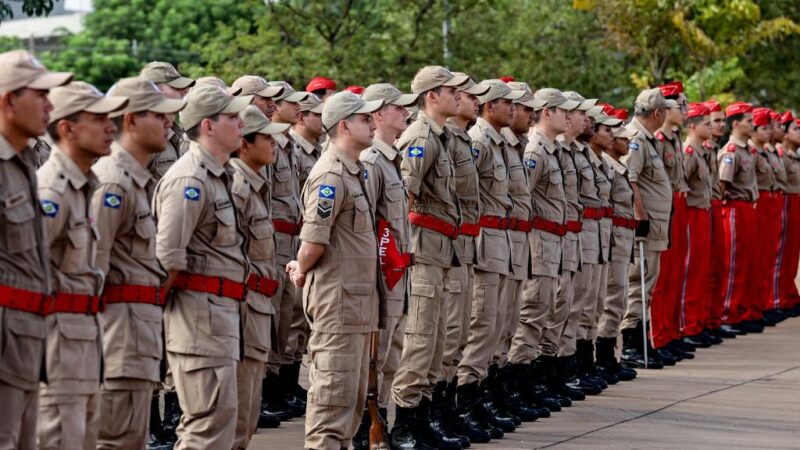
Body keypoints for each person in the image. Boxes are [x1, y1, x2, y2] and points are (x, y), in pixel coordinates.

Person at [152, 84, 252, 449]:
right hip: (198, 323)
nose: (242, 123)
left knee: (219, 423)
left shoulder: (217, 174)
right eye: (232, 117)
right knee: (204, 430)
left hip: (217, 319)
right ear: (207, 126)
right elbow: (166, 262)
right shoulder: (189, 179)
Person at [285, 90, 383, 450]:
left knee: (350, 404)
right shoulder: (330, 175)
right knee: (331, 406)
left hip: (356, 304)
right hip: (338, 305)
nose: (372, 124)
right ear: (344, 125)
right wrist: (301, 265)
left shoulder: (354, 172)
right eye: (364, 119)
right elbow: (313, 241)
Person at [93, 77, 185, 449]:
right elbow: (90, 274)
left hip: (136, 335)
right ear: (130, 120)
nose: (169, 122)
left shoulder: (136, 180)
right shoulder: (111, 182)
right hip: (114, 340)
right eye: (159, 115)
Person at [38, 81, 128, 449]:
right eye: (99, 119)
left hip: (85, 346)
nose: (111, 127)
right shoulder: (52, 192)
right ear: (67, 128)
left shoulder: (82, 186)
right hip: (58, 353)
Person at [390, 66, 467, 450]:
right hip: (423, 249)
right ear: (432, 96)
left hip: (441, 249)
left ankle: (421, 417)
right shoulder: (420, 136)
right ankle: (404, 423)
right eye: (451, 90)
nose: (458, 96)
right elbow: (404, 196)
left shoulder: (441, 135)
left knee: (435, 340)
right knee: (419, 338)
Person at [0, 50, 71, 450]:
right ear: (8, 100)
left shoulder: (26, 161)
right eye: (40, 94)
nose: (49, 105)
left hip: (27, 342)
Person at [351, 83, 417, 450]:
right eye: (397, 108)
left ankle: (382, 422)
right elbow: (370, 228)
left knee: (392, 355)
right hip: (381, 275)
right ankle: (365, 427)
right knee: (373, 359)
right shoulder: (372, 163)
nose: (405, 113)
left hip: (397, 273)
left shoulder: (391, 160)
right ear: (378, 114)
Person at [457, 79, 522, 439]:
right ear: (488, 106)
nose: (512, 109)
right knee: (481, 325)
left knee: (498, 325)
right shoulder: (479, 142)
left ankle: (484, 394)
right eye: (505, 103)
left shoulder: (496, 142)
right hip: (484, 240)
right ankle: (466, 399)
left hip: (502, 240)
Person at [138, 60, 196, 449]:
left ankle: (164, 418)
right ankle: (147, 420)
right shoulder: (141, 135)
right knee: (145, 343)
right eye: (175, 88)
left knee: (162, 343)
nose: (182, 93)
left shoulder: (175, 134)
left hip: (169, 244)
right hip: (146, 248)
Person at [507, 88, 575, 414]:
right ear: (548, 113)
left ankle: (537, 380)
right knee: (532, 314)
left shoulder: (551, 150)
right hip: (539, 241)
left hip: (553, 241)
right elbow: (522, 197)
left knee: (549, 311)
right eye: (563, 111)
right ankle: (518, 386)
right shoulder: (534, 151)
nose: (569, 117)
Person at [229, 105, 288, 448]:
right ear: (244, 144)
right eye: (266, 138)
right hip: (238, 311)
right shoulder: (236, 186)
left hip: (257, 307)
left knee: (246, 418)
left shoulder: (255, 184)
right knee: (230, 418)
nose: (274, 144)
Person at [441, 74, 494, 445]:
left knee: (476, 329)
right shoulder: (437, 140)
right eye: (462, 93)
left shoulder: (461, 140)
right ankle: (432, 413)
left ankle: (464, 404)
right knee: (442, 337)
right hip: (440, 247)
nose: (472, 100)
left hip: (463, 245)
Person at [263, 80, 311, 421]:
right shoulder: (260, 144)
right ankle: (266, 392)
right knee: (270, 319)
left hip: (290, 239)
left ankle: (280, 387)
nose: (297, 109)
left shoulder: (286, 145)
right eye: (285, 102)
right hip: (271, 241)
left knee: (287, 318)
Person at [619, 87, 673, 369]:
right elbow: (630, 178)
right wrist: (640, 215)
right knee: (638, 283)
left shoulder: (649, 140)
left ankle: (643, 344)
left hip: (656, 227)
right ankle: (631, 346)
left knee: (648, 284)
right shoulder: (636, 140)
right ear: (657, 113)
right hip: (645, 227)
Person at [558, 91, 607, 395]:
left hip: (584, 232)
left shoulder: (579, 151)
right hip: (559, 236)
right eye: (580, 113)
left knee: (586, 304)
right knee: (562, 307)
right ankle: (562, 370)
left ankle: (579, 364)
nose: (586, 119)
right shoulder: (546, 150)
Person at [649, 82, 692, 364]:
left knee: (676, 272)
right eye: (681, 105)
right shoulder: (656, 140)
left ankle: (672, 332)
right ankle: (658, 336)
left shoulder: (674, 138)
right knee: (660, 276)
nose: (686, 110)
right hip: (662, 207)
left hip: (677, 203)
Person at [595, 124, 639, 382]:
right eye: (620, 137)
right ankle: (602, 357)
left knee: (618, 297)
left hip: (623, 237)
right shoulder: (608, 168)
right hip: (612, 238)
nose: (623, 142)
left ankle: (609, 354)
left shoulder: (616, 168)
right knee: (612, 298)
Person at [678, 103, 722, 349]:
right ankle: (687, 326)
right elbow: (682, 185)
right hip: (692, 214)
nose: (712, 127)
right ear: (692, 127)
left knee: (703, 270)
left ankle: (698, 322)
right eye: (706, 123)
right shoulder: (689, 152)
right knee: (691, 270)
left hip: (703, 212)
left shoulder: (702, 152)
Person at [716, 102, 760, 335]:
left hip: (746, 208)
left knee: (746, 262)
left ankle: (740, 312)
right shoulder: (731, 151)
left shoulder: (746, 150)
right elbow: (723, 185)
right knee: (733, 262)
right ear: (736, 124)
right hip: (734, 208)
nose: (753, 124)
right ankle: (727, 313)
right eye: (749, 121)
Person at [139, 61, 195, 184]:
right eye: (176, 87)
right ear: (156, 90)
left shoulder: (174, 131)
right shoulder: (145, 136)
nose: (185, 90)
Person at [775, 112, 800, 313]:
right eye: (795, 129)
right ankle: (778, 297)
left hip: (793, 201)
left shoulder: (792, 155)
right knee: (780, 250)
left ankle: (787, 294)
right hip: (782, 201)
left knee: (791, 253)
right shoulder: (779, 154)